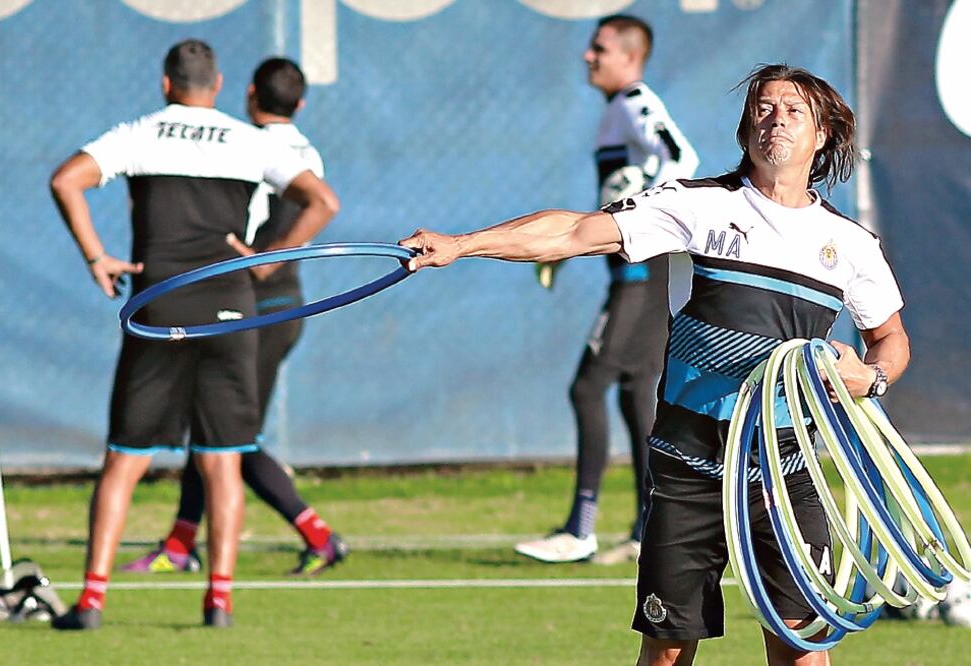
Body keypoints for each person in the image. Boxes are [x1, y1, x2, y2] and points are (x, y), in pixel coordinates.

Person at [400, 64, 909, 666]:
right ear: (746, 128)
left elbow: (891, 340)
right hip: (689, 463)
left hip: (784, 467)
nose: (776, 120)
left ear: (824, 134)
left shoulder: (852, 244)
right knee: (667, 651)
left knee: (800, 649)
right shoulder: (696, 205)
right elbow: (571, 232)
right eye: (763, 108)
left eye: (794, 111)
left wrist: (869, 377)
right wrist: (461, 245)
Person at [48, 40, 339, 630]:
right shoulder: (248, 140)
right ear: (221, 84)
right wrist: (268, 260)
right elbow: (323, 201)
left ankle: (92, 602)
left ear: (166, 84)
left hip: (161, 309)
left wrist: (96, 257)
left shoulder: (140, 134)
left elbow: (65, 180)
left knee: (125, 458)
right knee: (222, 461)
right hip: (231, 310)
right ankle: (219, 604)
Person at [121, 57, 348, 578]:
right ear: (301, 103)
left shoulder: (246, 144)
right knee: (214, 431)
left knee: (230, 437)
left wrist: (260, 261)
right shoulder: (304, 148)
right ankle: (181, 541)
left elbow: (303, 209)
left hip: (251, 303)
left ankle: (318, 536)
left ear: (247, 94)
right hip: (279, 303)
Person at [517, 14, 699, 565]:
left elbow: (681, 159)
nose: (587, 56)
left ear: (628, 56)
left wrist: (636, 215)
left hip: (643, 274)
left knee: (587, 386)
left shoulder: (635, 101)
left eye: (598, 48)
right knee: (633, 393)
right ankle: (652, 528)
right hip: (637, 272)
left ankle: (580, 527)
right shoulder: (616, 110)